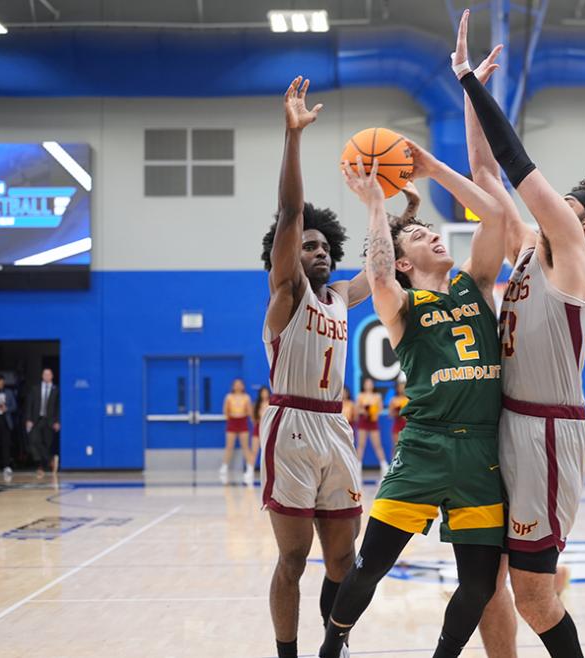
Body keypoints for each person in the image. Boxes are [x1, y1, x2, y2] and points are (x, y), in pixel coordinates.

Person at [452, 12, 585, 658]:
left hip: (547, 434)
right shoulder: (530, 249)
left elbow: (517, 164)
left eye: (565, 199)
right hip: (507, 423)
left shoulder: (571, 253)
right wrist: (470, 98)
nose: (551, 198)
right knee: (487, 584)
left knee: (534, 595)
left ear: (583, 221)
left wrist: (476, 90)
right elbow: (487, 178)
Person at [317, 105, 510, 658]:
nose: (435, 238)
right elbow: (376, 273)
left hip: (480, 450)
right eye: (422, 236)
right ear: (405, 262)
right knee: (372, 564)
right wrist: (378, 205)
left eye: (433, 232)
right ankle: (335, 640)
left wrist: (429, 166)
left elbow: (494, 216)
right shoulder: (401, 303)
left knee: (478, 583)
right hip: (424, 446)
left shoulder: (474, 283)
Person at [258, 76, 372, 658]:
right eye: (308, 244)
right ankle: (287, 653)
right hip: (291, 427)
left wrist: (394, 206)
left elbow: (384, 268)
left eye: (326, 245)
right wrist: (293, 137)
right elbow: (290, 209)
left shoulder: (341, 298)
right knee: (293, 558)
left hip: (334, 425)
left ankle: (336, 644)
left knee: (342, 558)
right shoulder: (287, 292)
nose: (319, 250)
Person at [25, 368, 59, 478]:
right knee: (34, 440)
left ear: (52, 376)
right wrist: (28, 419)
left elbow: (58, 407)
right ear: (42, 376)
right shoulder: (35, 389)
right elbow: (29, 404)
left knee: (46, 443)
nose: (47, 376)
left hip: (49, 420)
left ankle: (42, 466)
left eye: (49, 374)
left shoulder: (56, 390)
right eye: (45, 374)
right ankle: (49, 461)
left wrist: (57, 421)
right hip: (37, 419)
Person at [221, 378, 254, 484]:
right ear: (233, 386)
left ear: (243, 386)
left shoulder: (246, 397)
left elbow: (250, 412)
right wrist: (230, 418)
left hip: (243, 422)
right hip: (232, 422)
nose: (238, 386)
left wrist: (253, 421)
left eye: (240, 384)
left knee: (245, 446)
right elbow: (225, 410)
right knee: (229, 446)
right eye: (236, 384)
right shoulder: (229, 397)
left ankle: (250, 467)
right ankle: (224, 467)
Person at [354, 377, 388, 475]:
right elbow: (357, 409)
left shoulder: (377, 396)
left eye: (370, 383)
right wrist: (364, 411)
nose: (369, 385)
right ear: (364, 385)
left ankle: (384, 465)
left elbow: (380, 409)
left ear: (373, 385)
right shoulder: (360, 396)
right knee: (360, 444)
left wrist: (373, 411)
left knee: (377, 444)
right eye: (367, 383)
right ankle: (358, 465)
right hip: (363, 421)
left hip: (373, 421)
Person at [250, 385, 271, 475]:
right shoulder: (256, 404)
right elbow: (253, 417)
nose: (264, 394)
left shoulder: (271, 403)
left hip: (268, 428)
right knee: (254, 450)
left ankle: (268, 471)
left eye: (265, 392)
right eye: (262, 392)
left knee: (267, 451)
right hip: (258, 428)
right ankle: (250, 470)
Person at [388, 379, 408, 447]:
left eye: (403, 387)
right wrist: (397, 412)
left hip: (408, 426)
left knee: (408, 446)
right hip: (397, 425)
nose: (401, 389)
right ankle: (394, 458)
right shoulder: (394, 400)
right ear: (397, 388)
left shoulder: (409, 399)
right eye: (400, 387)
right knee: (396, 446)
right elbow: (390, 415)